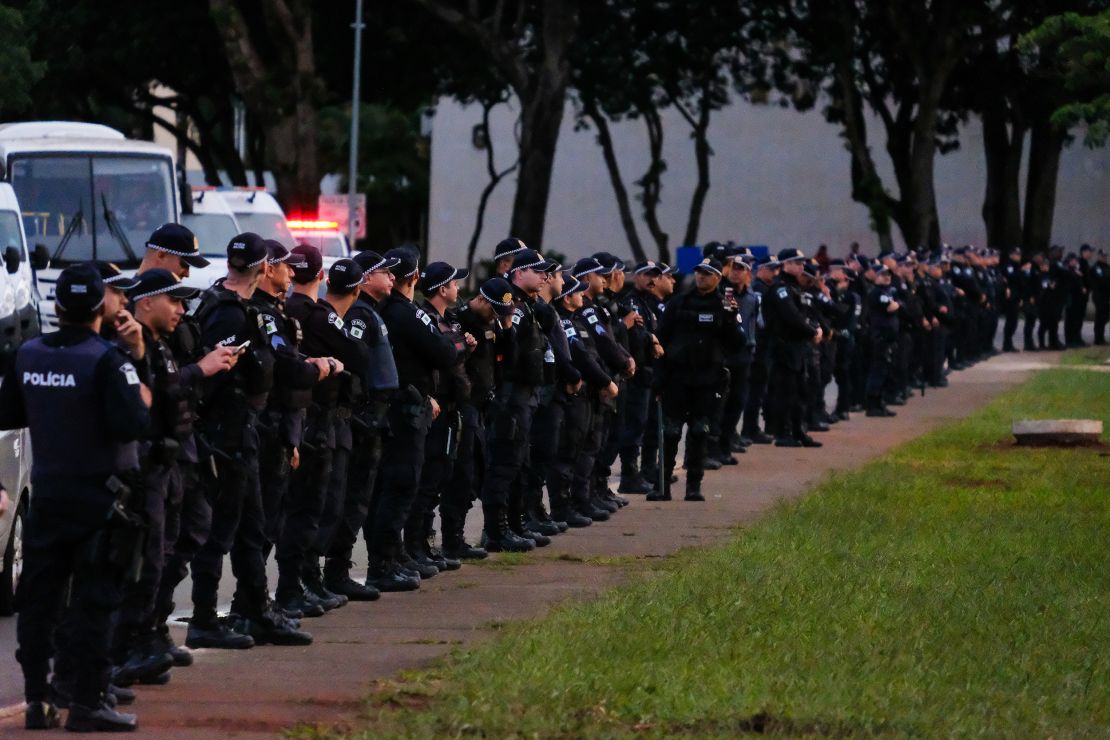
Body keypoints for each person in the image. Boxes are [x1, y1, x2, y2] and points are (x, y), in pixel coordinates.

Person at [0, 264, 151, 732]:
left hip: (47, 496)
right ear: (100, 310)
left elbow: (10, 415)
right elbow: (135, 424)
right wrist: (138, 362)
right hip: (100, 500)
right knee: (94, 602)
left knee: (39, 604)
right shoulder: (109, 360)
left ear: (58, 306)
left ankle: (36, 701)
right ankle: (87, 702)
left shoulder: (26, 355)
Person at [188, 232, 311, 648]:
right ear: (262, 268)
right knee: (219, 532)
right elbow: (219, 377)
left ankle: (257, 611)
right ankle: (203, 618)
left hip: (244, 432)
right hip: (224, 434)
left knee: (252, 528)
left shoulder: (237, 307)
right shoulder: (229, 313)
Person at [366, 247, 458, 586]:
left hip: (398, 407)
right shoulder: (406, 313)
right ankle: (383, 564)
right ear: (416, 277)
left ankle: (394, 556)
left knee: (392, 485)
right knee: (402, 483)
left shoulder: (383, 311)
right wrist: (457, 343)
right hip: (406, 409)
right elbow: (444, 352)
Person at [652, 257, 744, 501]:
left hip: (708, 379)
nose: (701, 276)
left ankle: (694, 486)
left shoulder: (725, 305)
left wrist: (730, 318)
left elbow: (737, 344)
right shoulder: (679, 303)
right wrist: (659, 379)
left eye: (707, 273)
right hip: (678, 378)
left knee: (699, 431)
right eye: (699, 272)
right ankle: (663, 486)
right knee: (670, 433)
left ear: (717, 278)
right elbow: (660, 339)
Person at [440, 276, 516, 558]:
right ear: (482, 300)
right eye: (494, 310)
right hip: (464, 406)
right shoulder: (459, 320)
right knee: (461, 475)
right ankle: (451, 540)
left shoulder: (495, 322)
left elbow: (510, 360)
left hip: (484, 405)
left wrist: (506, 327)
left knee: (480, 472)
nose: (496, 317)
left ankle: (467, 536)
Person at [763, 248, 822, 446]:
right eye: (796, 262)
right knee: (785, 393)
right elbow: (791, 316)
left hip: (797, 347)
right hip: (784, 347)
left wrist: (815, 327)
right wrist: (812, 332)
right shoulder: (781, 288)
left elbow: (805, 314)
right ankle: (782, 433)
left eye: (801, 262)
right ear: (785, 265)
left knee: (800, 392)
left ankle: (798, 430)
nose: (801, 266)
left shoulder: (796, 288)